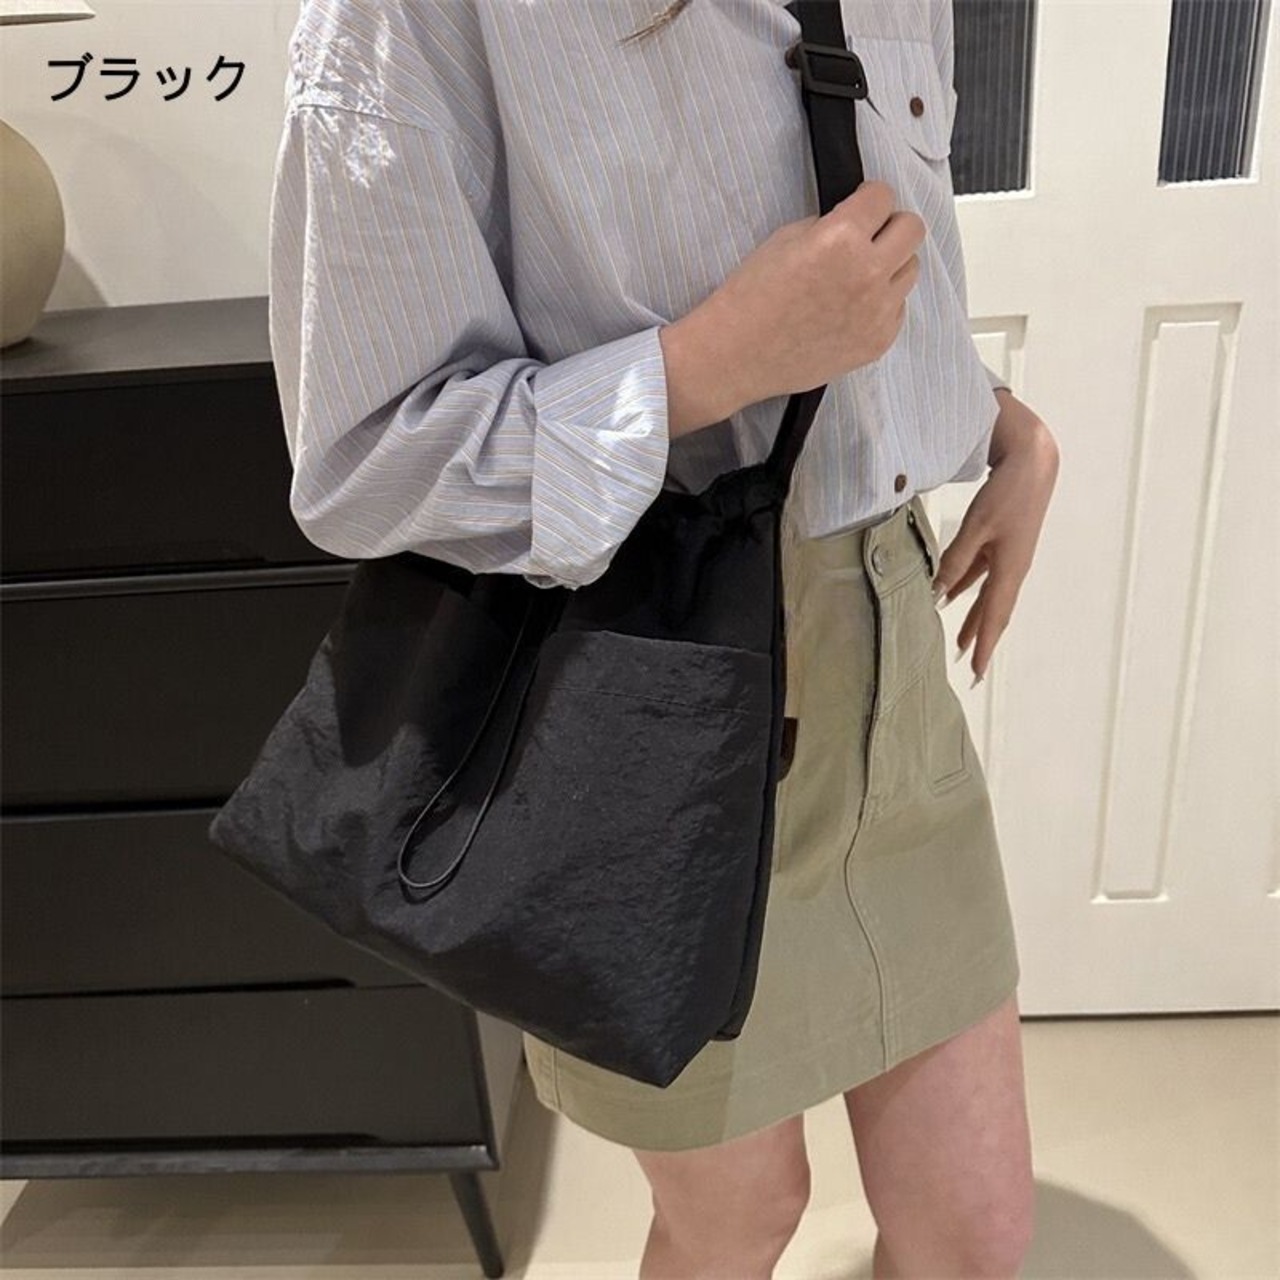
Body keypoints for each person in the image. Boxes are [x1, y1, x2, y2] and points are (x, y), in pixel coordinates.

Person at [266, 0, 1060, 1274]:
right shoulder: (405, 16)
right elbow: (364, 462)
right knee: (736, 1216)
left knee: (976, 1227)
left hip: (885, 645)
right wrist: (699, 365)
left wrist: (1000, 420)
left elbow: (869, 259)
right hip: (646, 691)